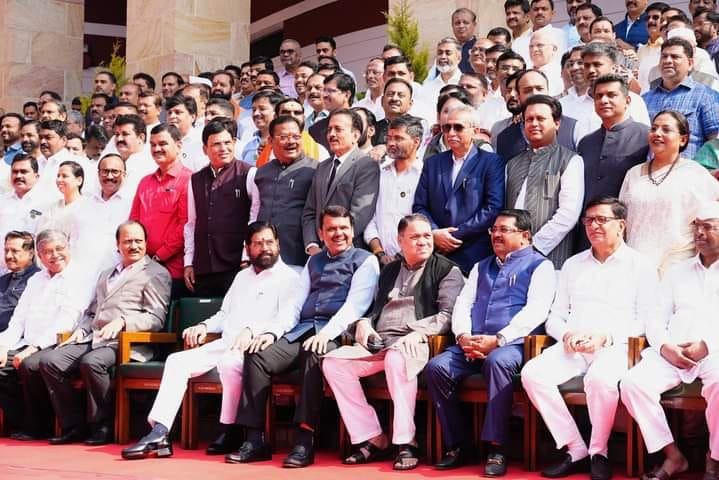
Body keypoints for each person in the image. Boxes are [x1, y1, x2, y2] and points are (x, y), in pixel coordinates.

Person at [121, 222, 299, 459]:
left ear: (278, 244)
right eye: (258, 243)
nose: (264, 248)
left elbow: (288, 319)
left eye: (269, 242)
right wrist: (204, 326)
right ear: (247, 248)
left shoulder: (289, 278)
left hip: (257, 348)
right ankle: (159, 433)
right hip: (225, 343)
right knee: (176, 361)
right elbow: (224, 315)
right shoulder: (242, 277)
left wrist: (253, 331)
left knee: (230, 363)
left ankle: (230, 429)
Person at [228, 206, 379, 468]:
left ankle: (304, 439)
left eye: (343, 228)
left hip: (338, 334)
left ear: (353, 230)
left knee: (313, 353)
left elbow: (356, 306)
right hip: (303, 329)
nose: (338, 233)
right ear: (321, 233)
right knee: (257, 353)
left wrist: (327, 334)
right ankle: (254, 439)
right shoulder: (314, 261)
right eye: (331, 229)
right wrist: (272, 333)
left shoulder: (365, 260)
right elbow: (295, 305)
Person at [521, 196, 659, 480]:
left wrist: (605, 337)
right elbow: (555, 316)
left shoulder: (640, 265)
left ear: (621, 225)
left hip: (616, 347)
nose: (594, 226)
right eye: (589, 220)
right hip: (573, 346)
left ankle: (599, 452)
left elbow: (647, 320)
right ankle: (575, 447)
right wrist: (566, 334)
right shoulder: (573, 265)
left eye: (602, 220)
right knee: (532, 374)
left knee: (600, 379)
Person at [322, 213, 464, 470]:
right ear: (400, 241)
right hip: (382, 342)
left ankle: (406, 442)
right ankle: (373, 436)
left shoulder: (446, 270)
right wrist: (364, 324)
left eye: (427, 236)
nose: (423, 241)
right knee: (333, 363)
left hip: (417, 342)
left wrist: (419, 332)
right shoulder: (388, 270)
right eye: (415, 236)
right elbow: (375, 310)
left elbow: (448, 315)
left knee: (396, 358)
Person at [426, 209, 555, 475]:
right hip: (472, 342)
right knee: (437, 368)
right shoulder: (480, 266)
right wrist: (463, 336)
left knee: (497, 363)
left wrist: (498, 340)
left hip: (513, 345)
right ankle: (459, 445)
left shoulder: (540, 265)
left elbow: (537, 311)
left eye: (503, 230)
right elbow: (463, 304)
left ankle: (498, 448)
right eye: (493, 230)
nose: (496, 235)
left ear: (525, 235)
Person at [39, 221, 171, 446]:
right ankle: (74, 425)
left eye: (138, 241)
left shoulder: (155, 273)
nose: (133, 246)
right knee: (51, 361)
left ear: (146, 243)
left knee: (92, 362)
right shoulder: (106, 274)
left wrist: (123, 321)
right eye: (127, 241)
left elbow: (155, 318)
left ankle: (103, 425)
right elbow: (92, 312)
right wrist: (81, 330)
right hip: (95, 337)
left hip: (127, 342)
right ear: (117, 245)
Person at [620, 201, 719, 480]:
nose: (699, 233)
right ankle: (673, 456)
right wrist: (666, 347)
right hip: (673, 353)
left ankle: (714, 458)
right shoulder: (678, 271)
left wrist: (707, 345)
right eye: (696, 226)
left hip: (714, 354)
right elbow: (655, 317)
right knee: (633, 384)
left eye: (708, 227)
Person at [0, 230, 96, 440]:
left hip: (61, 341)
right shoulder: (36, 279)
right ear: (39, 255)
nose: (55, 255)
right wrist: (3, 346)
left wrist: (33, 348)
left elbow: (67, 320)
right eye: (47, 252)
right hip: (27, 341)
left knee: (30, 364)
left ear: (68, 248)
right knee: (2, 364)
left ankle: (44, 425)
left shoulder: (81, 276)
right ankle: (22, 422)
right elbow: (19, 318)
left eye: (59, 249)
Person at [620, 110, 719, 273]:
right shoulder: (633, 174)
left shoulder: (694, 173)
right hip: (635, 264)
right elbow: (621, 220)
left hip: (677, 266)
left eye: (666, 130)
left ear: (683, 139)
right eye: (654, 128)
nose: (657, 133)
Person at [413, 105, 505, 273]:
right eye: (446, 127)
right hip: (436, 252)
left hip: (473, 252)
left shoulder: (491, 162)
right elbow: (420, 205)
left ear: (475, 131)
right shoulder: (433, 163)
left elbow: (493, 208)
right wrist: (434, 232)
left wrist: (453, 236)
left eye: (458, 127)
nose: (451, 133)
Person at [505, 95, 584, 269]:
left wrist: (534, 247)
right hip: (511, 256)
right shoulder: (512, 163)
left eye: (540, 119)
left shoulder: (570, 160)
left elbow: (568, 214)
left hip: (550, 256)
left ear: (556, 123)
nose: (534, 124)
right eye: (529, 119)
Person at [184, 118, 259, 297]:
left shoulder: (248, 173)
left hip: (237, 265)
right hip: (204, 266)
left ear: (234, 143)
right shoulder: (195, 179)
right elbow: (192, 224)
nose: (223, 148)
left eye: (227, 142)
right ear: (205, 149)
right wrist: (189, 262)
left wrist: (246, 256)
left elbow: (255, 218)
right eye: (216, 144)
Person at [577, 74, 650, 251]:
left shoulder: (646, 137)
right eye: (599, 96)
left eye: (611, 95)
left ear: (627, 100)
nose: (604, 100)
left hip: (628, 232)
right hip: (588, 233)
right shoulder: (586, 142)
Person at [302, 109, 380, 254]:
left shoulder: (366, 165)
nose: (331, 134)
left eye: (338, 129)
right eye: (329, 130)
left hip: (349, 253)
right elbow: (310, 211)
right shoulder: (322, 167)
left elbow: (360, 214)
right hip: (317, 253)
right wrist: (312, 245)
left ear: (355, 135)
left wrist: (330, 245)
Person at [130, 124, 192, 299]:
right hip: (142, 267)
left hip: (172, 270)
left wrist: (159, 256)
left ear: (178, 146)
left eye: (162, 144)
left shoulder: (189, 180)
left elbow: (186, 225)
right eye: (153, 144)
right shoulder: (145, 182)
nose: (157, 149)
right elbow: (134, 221)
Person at [254, 116, 317, 270]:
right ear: (270, 141)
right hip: (265, 256)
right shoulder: (262, 172)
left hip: (298, 255)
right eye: (284, 137)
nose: (291, 142)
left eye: (296, 137)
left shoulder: (315, 170)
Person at [642, 37, 719, 159]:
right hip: (650, 168)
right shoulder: (646, 99)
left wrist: (703, 168)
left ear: (690, 64)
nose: (667, 61)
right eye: (664, 56)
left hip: (690, 168)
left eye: (675, 57)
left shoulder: (705, 96)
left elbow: (715, 142)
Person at [365, 116, 424, 264]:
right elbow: (369, 217)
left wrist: (401, 255)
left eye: (398, 138)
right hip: (379, 259)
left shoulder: (424, 175)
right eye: (389, 138)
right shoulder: (380, 173)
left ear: (416, 142)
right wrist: (379, 252)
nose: (391, 143)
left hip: (415, 261)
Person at [495, 69, 581, 162]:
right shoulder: (504, 138)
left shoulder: (573, 128)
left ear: (548, 91)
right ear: (518, 97)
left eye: (539, 89)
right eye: (527, 90)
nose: (535, 94)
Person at [0, 231, 40, 332]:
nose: (8, 256)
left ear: (31, 254)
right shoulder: (3, 280)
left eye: (14, 251)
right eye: (6, 251)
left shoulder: (39, 280)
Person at [309, 72, 355, 151]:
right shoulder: (315, 129)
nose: (324, 95)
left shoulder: (361, 121)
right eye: (324, 90)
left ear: (347, 95)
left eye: (330, 91)